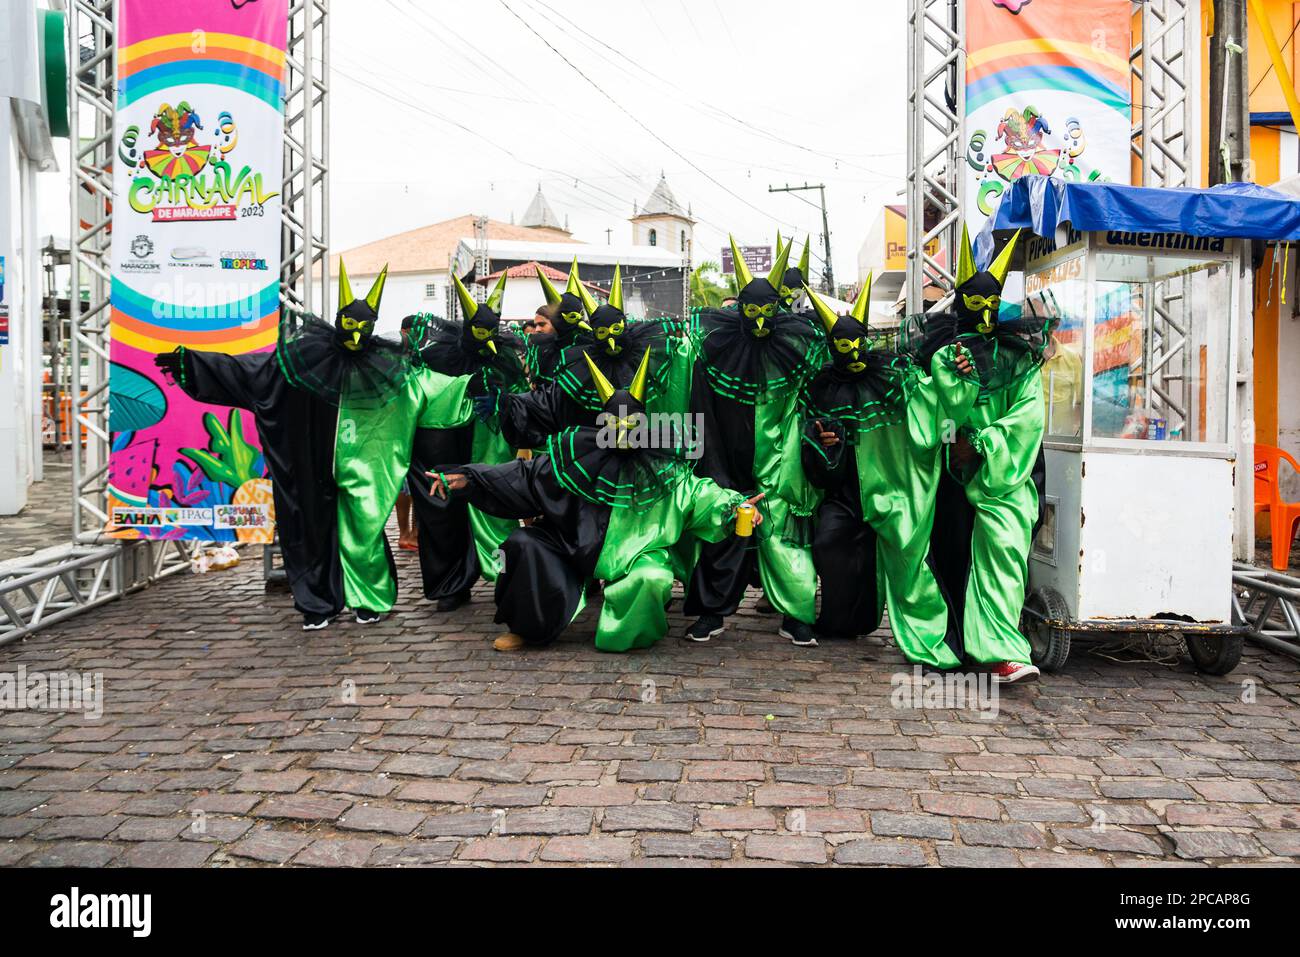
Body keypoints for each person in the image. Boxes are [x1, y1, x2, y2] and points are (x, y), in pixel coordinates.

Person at [429, 347, 763, 653]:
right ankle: (528, 627)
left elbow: (701, 494)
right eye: (614, 424)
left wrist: (737, 507)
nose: (623, 432)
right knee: (523, 543)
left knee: (653, 578)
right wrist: (470, 478)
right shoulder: (573, 457)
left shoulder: (665, 470)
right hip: (573, 546)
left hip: (637, 554)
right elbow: (522, 476)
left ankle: (626, 635)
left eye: (631, 424)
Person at [152, 261, 412, 630]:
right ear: (339, 321)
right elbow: (253, 372)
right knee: (307, 529)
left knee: (364, 529)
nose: (356, 336)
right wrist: (193, 363)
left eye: (364, 328)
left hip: (360, 466)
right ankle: (319, 602)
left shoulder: (383, 366)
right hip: (308, 462)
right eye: (350, 327)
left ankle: (367, 597)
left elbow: (423, 394)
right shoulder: (302, 359)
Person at [799, 281, 979, 666]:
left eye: (858, 341)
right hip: (844, 490)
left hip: (895, 487)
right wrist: (822, 439)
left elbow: (934, 403)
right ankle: (843, 620)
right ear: (832, 347)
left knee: (909, 563)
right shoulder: (822, 385)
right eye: (843, 345)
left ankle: (933, 640)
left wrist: (957, 374)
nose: (853, 351)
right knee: (830, 542)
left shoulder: (897, 377)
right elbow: (807, 429)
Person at [907, 226, 1047, 683]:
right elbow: (936, 416)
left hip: (1003, 476)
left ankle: (998, 650)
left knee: (1002, 549)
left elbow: (1028, 416)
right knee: (949, 555)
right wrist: (957, 384)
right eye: (975, 303)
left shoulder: (1019, 357)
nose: (984, 313)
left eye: (992, 303)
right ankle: (952, 642)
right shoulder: (942, 352)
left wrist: (985, 444)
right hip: (951, 475)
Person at [682, 234, 825, 646]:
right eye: (751, 311)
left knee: (782, 533)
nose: (760, 320)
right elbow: (700, 410)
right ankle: (712, 611)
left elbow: (812, 404)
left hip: (780, 463)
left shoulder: (795, 352)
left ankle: (796, 613)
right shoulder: (715, 352)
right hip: (724, 456)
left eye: (767, 311)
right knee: (723, 524)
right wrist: (711, 468)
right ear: (740, 310)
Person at [405, 272, 528, 612]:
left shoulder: (504, 363)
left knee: (495, 510)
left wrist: (503, 402)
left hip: (488, 445)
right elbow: (417, 397)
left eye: (491, 331)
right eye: (479, 331)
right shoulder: (434, 360)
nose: (485, 338)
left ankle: (507, 575)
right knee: (442, 511)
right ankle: (451, 585)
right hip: (441, 439)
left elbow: (523, 400)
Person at [396, 314, 421, 551]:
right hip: (405, 427)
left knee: (412, 484)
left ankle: (412, 533)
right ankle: (407, 533)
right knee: (407, 485)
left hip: (412, 425)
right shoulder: (397, 358)